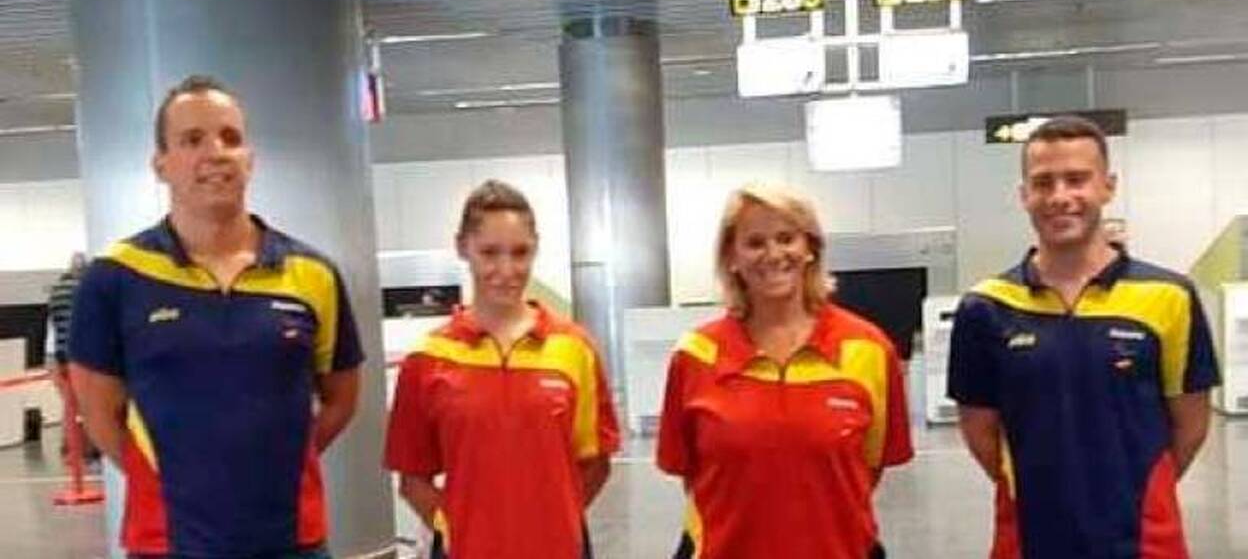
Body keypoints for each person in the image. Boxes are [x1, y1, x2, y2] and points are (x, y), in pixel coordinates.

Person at [69, 75, 363, 559]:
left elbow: (341, 399)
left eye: (230, 137)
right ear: (161, 164)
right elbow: (101, 417)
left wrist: (276, 468)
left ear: (250, 158)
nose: (216, 153)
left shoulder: (313, 274)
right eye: (192, 140)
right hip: (168, 543)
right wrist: (176, 483)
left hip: (292, 541)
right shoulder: (115, 278)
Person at [948, 116, 1219, 558]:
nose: (1060, 197)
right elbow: (980, 432)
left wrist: (1133, 492)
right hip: (1029, 539)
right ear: (1024, 195)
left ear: (1108, 187)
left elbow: (1190, 426)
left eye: (1077, 179)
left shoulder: (1169, 297)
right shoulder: (986, 307)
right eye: (1043, 183)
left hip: (1144, 541)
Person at [656, 183, 913, 559]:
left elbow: (868, 469)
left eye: (786, 238)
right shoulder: (695, 355)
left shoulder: (868, 349)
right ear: (731, 257)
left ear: (810, 248)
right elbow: (692, 474)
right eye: (755, 243)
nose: (774, 254)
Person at [384, 180, 620, 559]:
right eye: (489, 253)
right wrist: (458, 530)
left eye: (520, 252)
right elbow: (413, 479)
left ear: (535, 248)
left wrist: (552, 523)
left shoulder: (574, 348)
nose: (506, 270)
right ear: (463, 248)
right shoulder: (428, 358)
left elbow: (596, 462)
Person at [47, 251, 91, 462]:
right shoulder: (81, 290)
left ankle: (70, 449)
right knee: (87, 405)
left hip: (57, 356)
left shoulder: (56, 290)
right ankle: (85, 450)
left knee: (70, 405)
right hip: (77, 355)